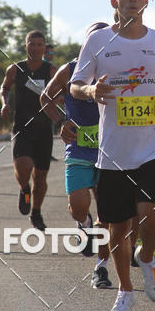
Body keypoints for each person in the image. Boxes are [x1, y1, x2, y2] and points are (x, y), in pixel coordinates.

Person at [70, 0, 155, 311]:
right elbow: (76, 85)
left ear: (146, 1)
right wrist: (90, 92)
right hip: (113, 148)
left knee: (151, 213)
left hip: (154, 143)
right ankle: (125, 293)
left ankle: (146, 257)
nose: (133, 0)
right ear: (113, 2)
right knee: (116, 228)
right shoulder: (98, 42)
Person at [40, 22, 113, 288]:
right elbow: (46, 98)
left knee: (108, 214)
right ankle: (84, 222)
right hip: (79, 148)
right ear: (86, 44)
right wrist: (62, 121)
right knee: (78, 206)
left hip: (112, 152)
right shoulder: (69, 70)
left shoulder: (118, 68)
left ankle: (101, 268)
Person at [0, 30, 57, 231]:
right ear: (25, 46)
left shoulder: (51, 71)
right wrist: (4, 103)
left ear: (44, 47)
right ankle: (24, 189)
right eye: (32, 44)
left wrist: (58, 110)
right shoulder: (15, 69)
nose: (35, 48)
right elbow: (4, 88)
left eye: (40, 44)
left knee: (40, 176)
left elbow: (63, 93)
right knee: (24, 166)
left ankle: (36, 212)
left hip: (43, 130)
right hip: (22, 127)